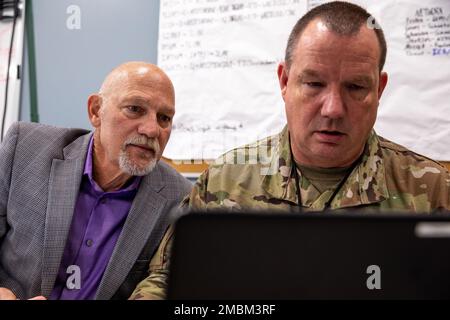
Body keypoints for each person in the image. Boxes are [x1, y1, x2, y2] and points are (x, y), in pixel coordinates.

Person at [129, 2, 450, 299]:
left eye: (355, 87)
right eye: (314, 84)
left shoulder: (431, 189)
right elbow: (166, 280)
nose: (333, 109)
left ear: (379, 89)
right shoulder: (228, 178)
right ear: (284, 81)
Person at [0, 61, 192, 300]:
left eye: (164, 118)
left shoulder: (179, 199)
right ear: (96, 110)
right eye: (135, 109)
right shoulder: (26, 148)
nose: (152, 130)